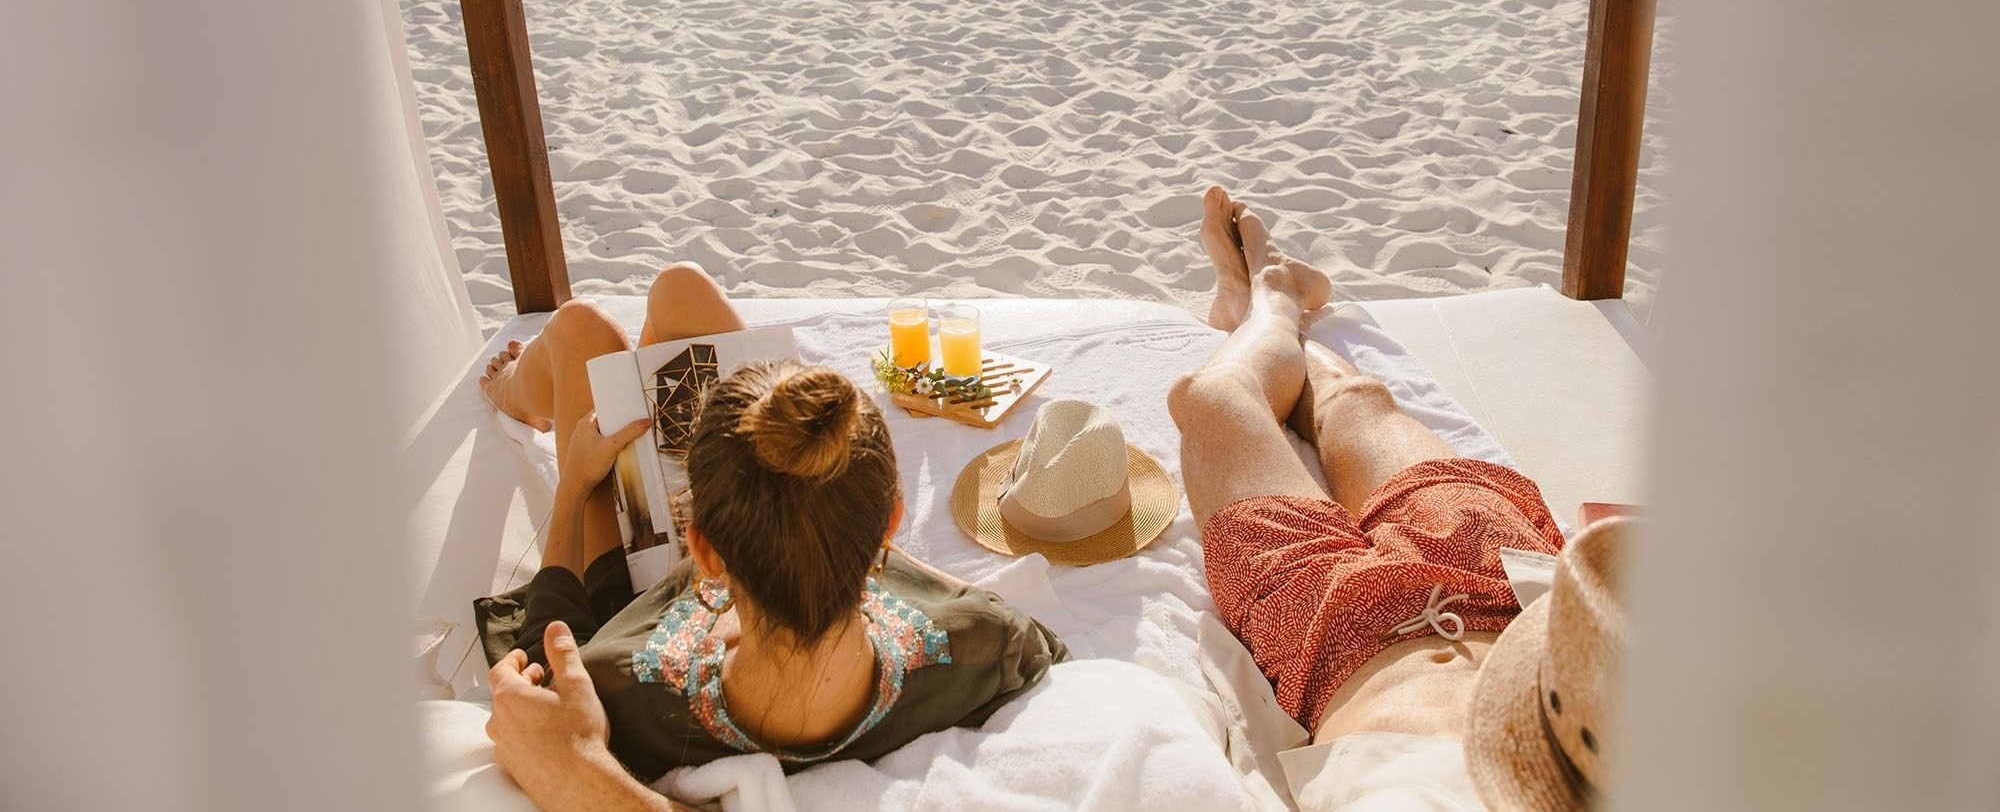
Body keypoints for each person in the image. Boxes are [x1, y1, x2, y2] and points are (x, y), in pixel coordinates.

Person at [473, 263, 1067, 811]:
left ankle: (513, 395)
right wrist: (832, 521)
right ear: (889, 522)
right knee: (681, 288)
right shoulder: (988, 644)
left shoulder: (613, 686)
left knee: (583, 328)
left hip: (644, 589)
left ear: (700, 549)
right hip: (761, 549)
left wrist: (574, 486)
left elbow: (545, 651)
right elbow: (1029, 636)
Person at [1171, 186, 1574, 810]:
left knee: (1211, 400)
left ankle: (1267, 304)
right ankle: (1269, 300)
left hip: (1330, 643)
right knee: (1352, 404)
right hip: (1510, 594)